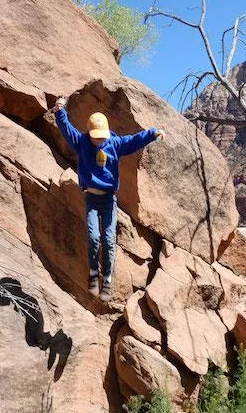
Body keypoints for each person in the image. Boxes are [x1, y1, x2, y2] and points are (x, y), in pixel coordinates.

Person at [54, 97, 164, 303]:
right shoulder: (81, 143)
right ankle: (93, 275)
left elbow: (134, 141)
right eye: (95, 137)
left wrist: (152, 133)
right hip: (91, 199)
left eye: (101, 136)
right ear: (89, 133)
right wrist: (60, 110)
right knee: (94, 237)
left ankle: (107, 280)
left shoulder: (114, 143)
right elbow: (65, 127)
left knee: (109, 239)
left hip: (108, 200)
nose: (99, 140)